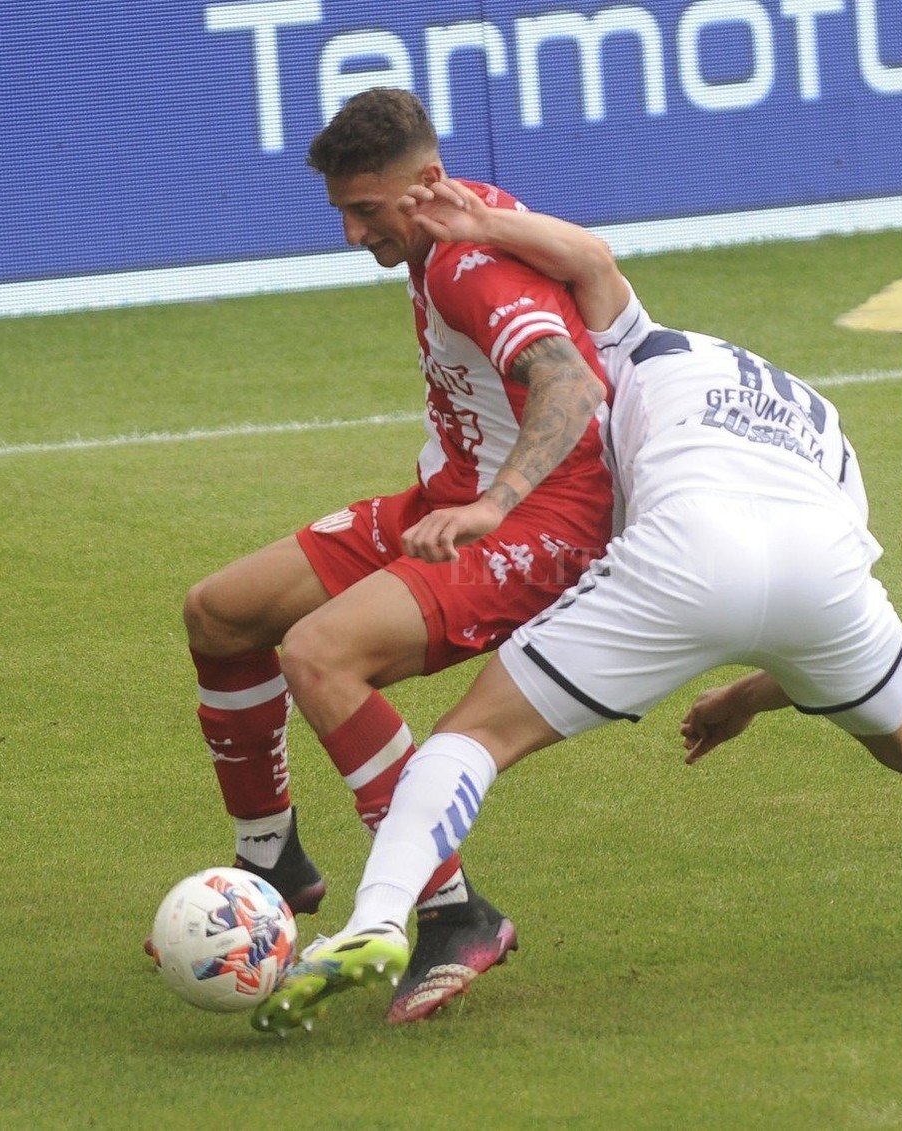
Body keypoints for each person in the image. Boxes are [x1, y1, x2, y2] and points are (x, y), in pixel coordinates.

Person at [250, 181, 902, 1034]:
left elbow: (593, 260)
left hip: (685, 550)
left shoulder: (639, 349)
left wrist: (481, 226)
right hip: (820, 573)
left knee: (476, 735)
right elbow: (795, 598)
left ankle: (382, 916)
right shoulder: (815, 413)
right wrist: (751, 691)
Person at [173, 90, 617, 1024]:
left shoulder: (468, 264)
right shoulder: (452, 219)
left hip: (540, 525)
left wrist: (494, 505)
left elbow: (572, 387)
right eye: (340, 209)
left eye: (365, 211)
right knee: (219, 612)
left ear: (424, 184)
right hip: (447, 499)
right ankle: (271, 862)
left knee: (319, 654)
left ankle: (455, 912)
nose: (348, 233)